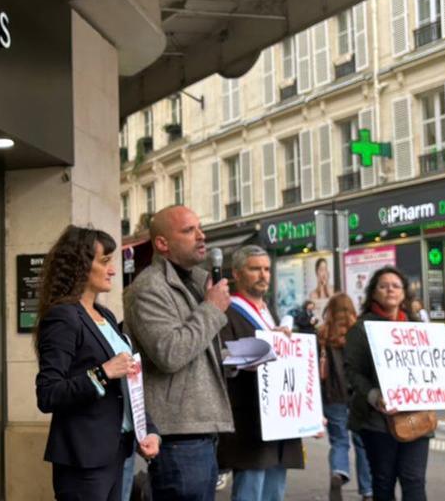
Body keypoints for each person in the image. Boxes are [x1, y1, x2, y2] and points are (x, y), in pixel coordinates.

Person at [34, 226, 161, 501]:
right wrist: (103, 373)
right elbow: (48, 393)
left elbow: (128, 383)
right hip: (84, 459)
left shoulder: (105, 314)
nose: (113, 270)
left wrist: (148, 430)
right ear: (80, 266)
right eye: (104, 261)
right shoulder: (63, 317)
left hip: (121, 449)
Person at [124, 205, 232, 501]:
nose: (201, 236)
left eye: (199, 227)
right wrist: (211, 308)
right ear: (162, 243)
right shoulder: (147, 288)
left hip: (201, 429)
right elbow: (170, 353)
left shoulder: (199, 282)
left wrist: (231, 362)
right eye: (189, 230)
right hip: (176, 434)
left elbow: (196, 351)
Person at [217, 245, 301, 501]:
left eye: (266, 269)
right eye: (255, 269)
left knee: (275, 492)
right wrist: (264, 348)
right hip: (249, 418)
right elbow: (222, 359)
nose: (263, 275)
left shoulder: (269, 311)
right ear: (237, 273)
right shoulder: (226, 310)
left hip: (278, 418)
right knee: (251, 492)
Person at [343, 266, 430, 501]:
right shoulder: (361, 329)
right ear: (374, 293)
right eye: (383, 286)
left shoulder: (416, 328)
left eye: (395, 285)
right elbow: (352, 371)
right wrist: (373, 395)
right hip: (377, 421)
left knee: (414, 480)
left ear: (404, 293)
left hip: (416, 418)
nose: (390, 290)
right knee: (383, 481)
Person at [320, 293, 373, 501]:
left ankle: (338, 472)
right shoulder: (360, 333)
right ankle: (368, 491)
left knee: (339, 441)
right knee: (362, 443)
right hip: (358, 396)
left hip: (333, 396)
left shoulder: (322, 335)